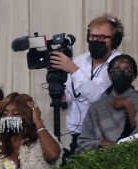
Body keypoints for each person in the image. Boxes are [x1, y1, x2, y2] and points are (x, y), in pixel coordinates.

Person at [51, 14, 125, 151]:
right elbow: (68, 95)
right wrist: (61, 96)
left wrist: (72, 69)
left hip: (105, 139)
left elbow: (97, 97)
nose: (96, 41)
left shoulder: (120, 63)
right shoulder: (80, 60)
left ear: (114, 40)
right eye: (93, 37)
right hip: (78, 138)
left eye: (102, 37)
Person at [77, 55, 138, 152]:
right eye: (116, 71)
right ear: (109, 75)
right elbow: (82, 144)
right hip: (106, 160)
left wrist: (129, 106)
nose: (121, 74)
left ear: (134, 76)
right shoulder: (97, 107)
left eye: (127, 71)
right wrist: (100, 143)